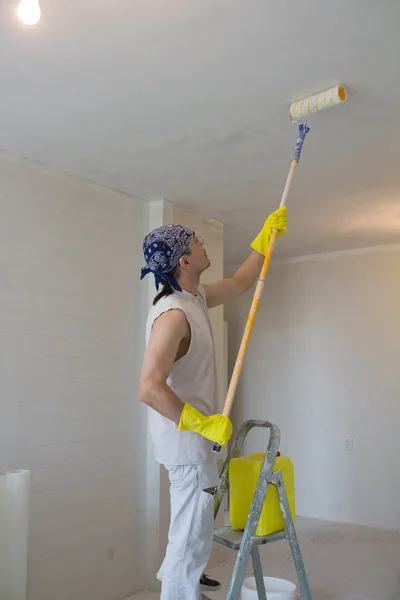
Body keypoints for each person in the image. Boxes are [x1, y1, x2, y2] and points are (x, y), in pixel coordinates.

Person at [139, 207, 287, 600]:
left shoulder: (195, 296)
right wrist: (202, 424)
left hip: (196, 441)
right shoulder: (172, 315)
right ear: (184, 260)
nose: (203, 244)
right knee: (188, 540)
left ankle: (184, 587)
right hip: (187, 444)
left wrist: (263, 240)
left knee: (195, 532)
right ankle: (178, 592)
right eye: (196, 242)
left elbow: (239, 283)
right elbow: (149, 388)